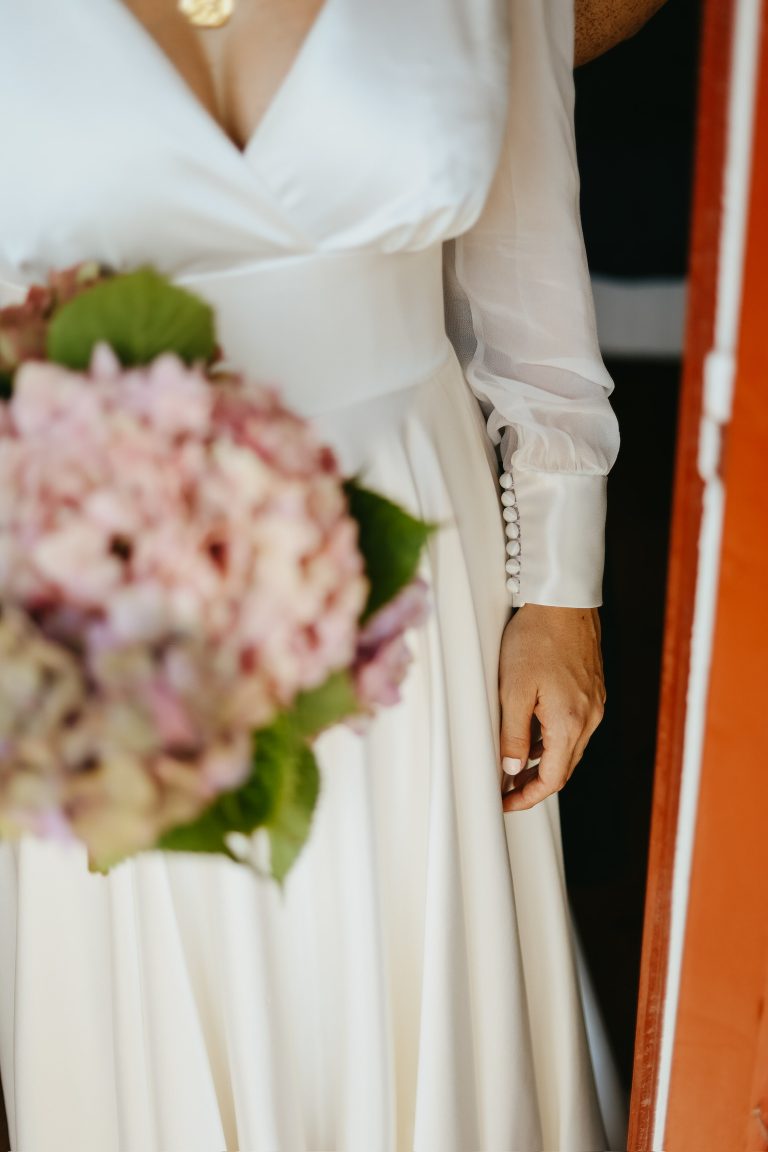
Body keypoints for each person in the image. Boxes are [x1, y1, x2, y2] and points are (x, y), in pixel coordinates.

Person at [0, 1, 664, 1148]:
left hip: (420, 560)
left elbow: (533, 305)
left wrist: (560, 585)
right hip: (96, 586)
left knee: (417, 976)